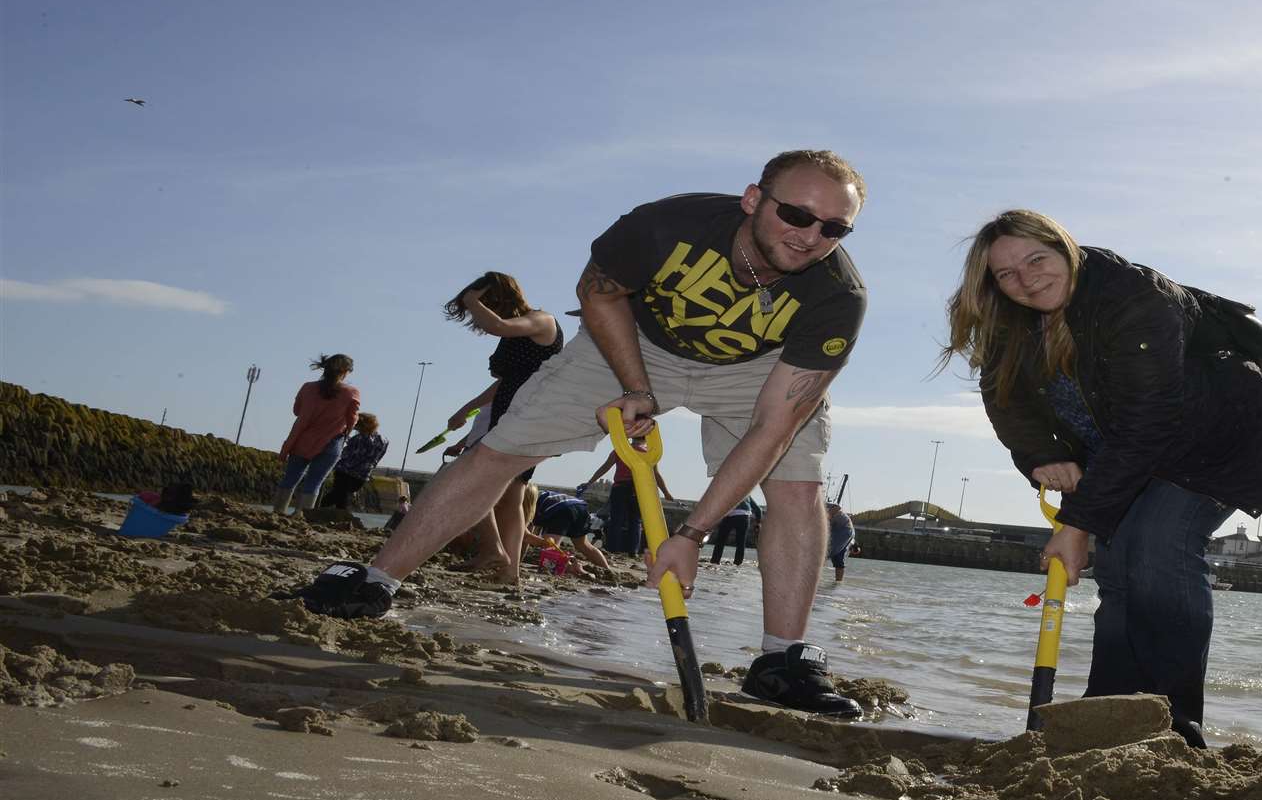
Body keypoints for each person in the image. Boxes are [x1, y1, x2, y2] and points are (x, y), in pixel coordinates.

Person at [299, 150, 870, 718]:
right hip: (635, 340)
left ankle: (782, 661)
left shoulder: (837, 296)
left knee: (797, 484)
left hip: (757, 369)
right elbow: (598, 294)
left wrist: (691, 535)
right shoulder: (665, 226)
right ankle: (372, 582)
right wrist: (637, 388)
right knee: (503, 448)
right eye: (796, 215)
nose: (810, 236)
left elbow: (775, 426)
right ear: (753, 200)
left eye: (834, 228)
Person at [939, 209, 1262, 747]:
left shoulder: (1131, 296)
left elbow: (1148, 422)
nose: (1026, 278)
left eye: (1037, 259)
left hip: (1227, 443)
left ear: (1066, 249)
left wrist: (1079, 523)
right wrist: (1040, 456)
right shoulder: (1009, 324)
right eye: (1006, 274)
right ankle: (1109, 711)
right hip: (1134, 454)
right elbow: (1008, 403)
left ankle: (1172, 724)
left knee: (1160, 545)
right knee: (1120, 570)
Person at [441, 273, 563, 584]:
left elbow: (498, 325)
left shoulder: (541, 321)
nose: (479, 317)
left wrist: (471, 299)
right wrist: (466, 410)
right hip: (510, 415)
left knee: (472, 481)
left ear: (497, 299)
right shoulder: (513, 335)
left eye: (483, 305)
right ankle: (510, 571)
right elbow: (506, 382)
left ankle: (493, 551)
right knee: (510, 497)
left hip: (530, 418)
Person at [276, 354, 360, 515]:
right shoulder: (351, 392)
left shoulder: (308, 387)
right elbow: (352, 419)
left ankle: (278, 512)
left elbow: (296, 411)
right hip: (332, 442)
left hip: (301, 439)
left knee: (290, 478)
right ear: (344, 371)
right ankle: (301, 515)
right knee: (314, 482)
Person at [580, 447, 672, 556]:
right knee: (636, 521)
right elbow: (656, 474)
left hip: (620, 487)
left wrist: (590, 482)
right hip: (639, 489)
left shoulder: (620, 448)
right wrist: (666, 493)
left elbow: (605, 467)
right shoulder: (649, 452)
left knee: (616, 520)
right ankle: (633, 552)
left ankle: (611, 549)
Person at [529, 489, 613, 571]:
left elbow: (525, 534)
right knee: (583, 545)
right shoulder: (533, 493)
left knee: (551, 547)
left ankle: (571, 568)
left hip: (560, 509)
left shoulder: (523, 502)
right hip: (579, 506)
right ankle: (607, 570)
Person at [318, 413, 388, 511]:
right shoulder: (384, 440)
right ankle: (339, 517)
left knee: (337, 495)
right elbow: (378, 458)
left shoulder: (358, 439)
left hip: (345, 471)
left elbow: (347, 454)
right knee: (342, 496)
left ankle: (315, 510)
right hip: (362, 474)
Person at [709, 496, 761, 565]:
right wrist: (758, 522)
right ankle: (737, 563)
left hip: (729, 515)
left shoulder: (726, 490)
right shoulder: (747, 493)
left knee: (720, 541)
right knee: (741, 543)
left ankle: (715, 561)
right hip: (744, 516)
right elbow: (758, 509)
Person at [826, 500, 855, 581]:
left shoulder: (819, 503)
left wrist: (826, 516)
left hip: (844, 529)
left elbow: (837, 507)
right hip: (841, 531)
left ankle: (811, 580)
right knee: (838, 558)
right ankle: (838, 584)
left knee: (824, 553)